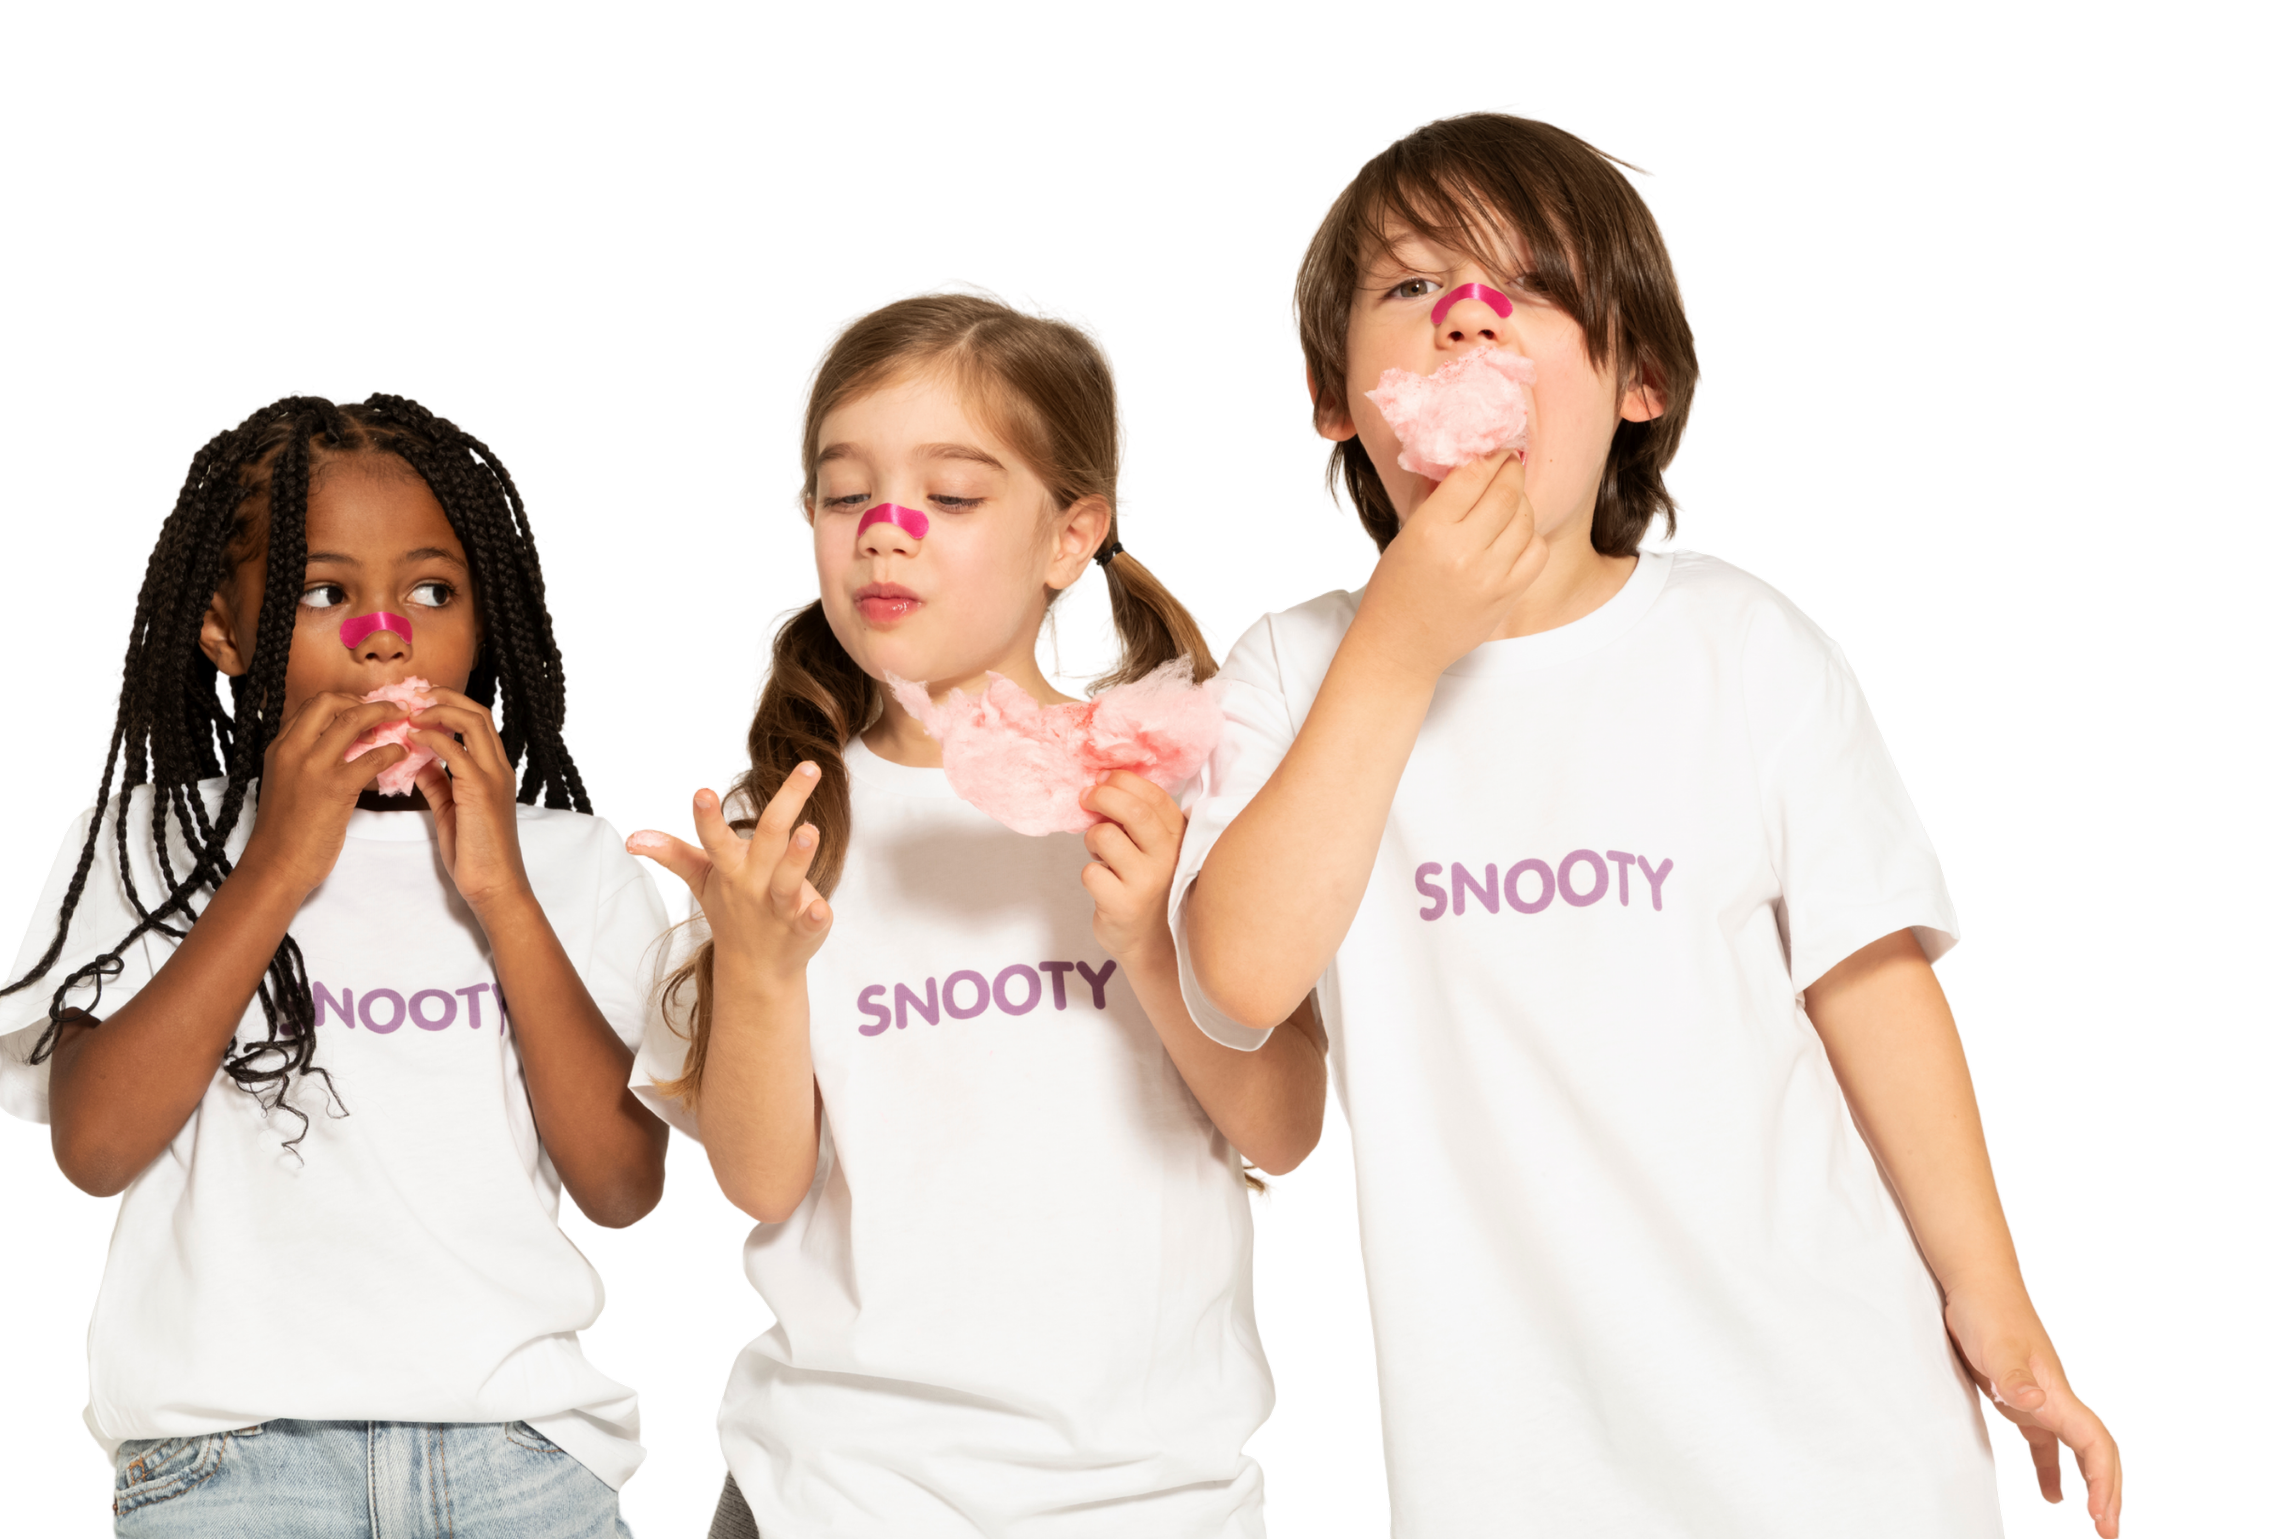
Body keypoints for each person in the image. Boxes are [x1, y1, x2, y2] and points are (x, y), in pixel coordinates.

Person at [1168, 111, 2125, 1537]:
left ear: (1641, 380)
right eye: (1414, 288)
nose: (1470, 324)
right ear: (1330, 394)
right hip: (1514, 1463)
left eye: (1530, 289)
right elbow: (1235, 982)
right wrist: (1400, 647)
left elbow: (1873, 982)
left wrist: (2001, 1309)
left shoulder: (1747, 646)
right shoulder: (1291, 670)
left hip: (1836, 1431)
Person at [0, 394, 670, 1535]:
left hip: (518, 1462)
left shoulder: (571, 859)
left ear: (482, 616)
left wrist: (500, 890)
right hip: (229, 1468)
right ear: (222, 629)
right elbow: (94, 1149)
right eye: (323, 593)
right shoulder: (149, 841)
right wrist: (280, 867)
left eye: (431, 590)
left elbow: (622, 1186)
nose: (385, 634)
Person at [624, 282, 1329, 1537]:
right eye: (846, 494)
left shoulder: (1180, 795)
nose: (885, 532)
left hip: (1149, 1501)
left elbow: (1281, 1129)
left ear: (1072, 536)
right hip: (830, 1493)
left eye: (950, 496)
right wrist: (763, 966)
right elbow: (760, 1182)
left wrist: (1152, 942)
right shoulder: (774, 824)